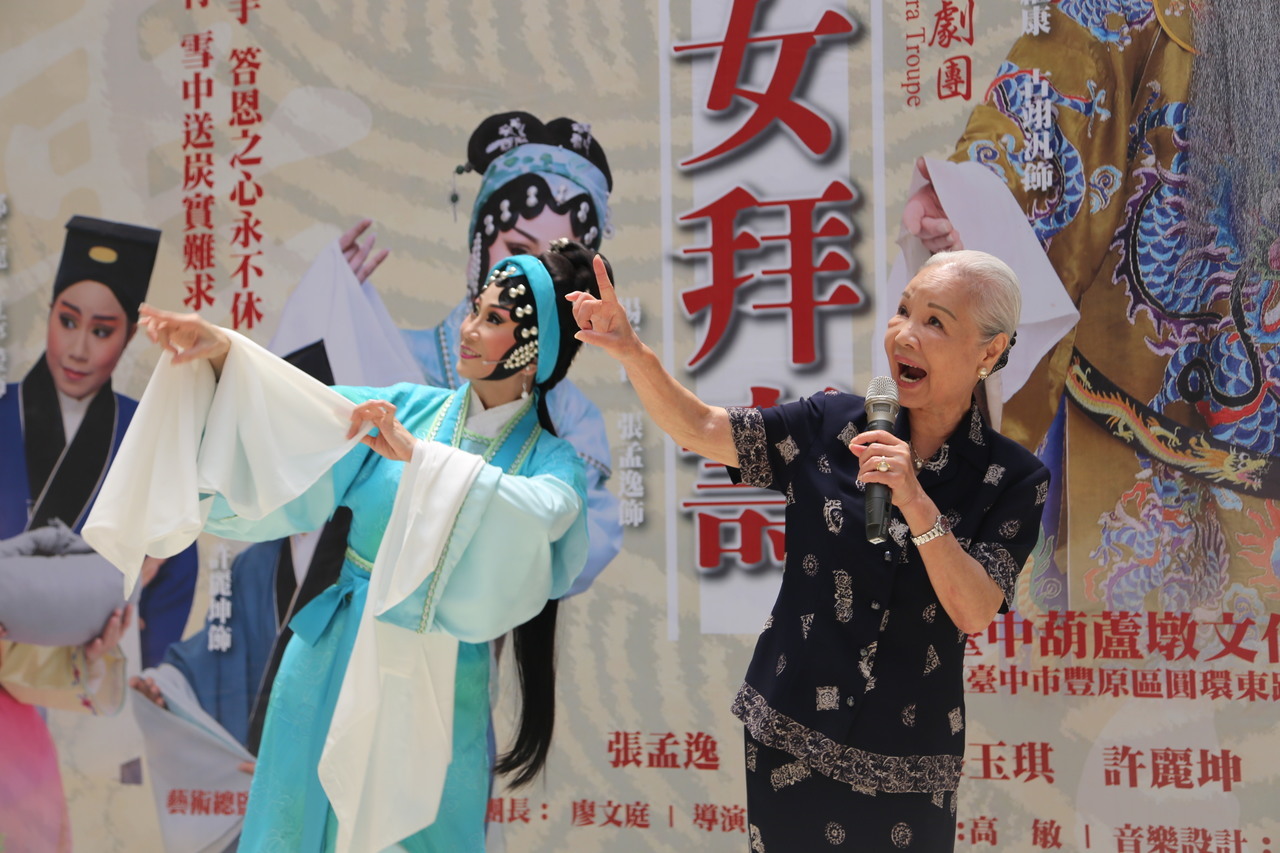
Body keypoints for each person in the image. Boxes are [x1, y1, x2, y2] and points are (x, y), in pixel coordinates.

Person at [84, 241, 606, 852]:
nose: (467, 329)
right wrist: (225, 355)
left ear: (533, 352)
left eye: (492, 319)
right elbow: (305, 413)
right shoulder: (406, 408)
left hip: (441, 682)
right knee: (297, 828)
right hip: (328, 657)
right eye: (473, 309)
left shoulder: (551, 465)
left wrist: (419, 459)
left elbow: (541, 517)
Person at [570, 249, 1050, 851]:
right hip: (790, 735)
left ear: (989, 350)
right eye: (904, 311)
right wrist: (632, 352)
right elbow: (704, 429)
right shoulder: (832, 424)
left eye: (935, 321)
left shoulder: (1014, 478)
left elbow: (974, 610)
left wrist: (914, 499)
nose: (905, 334)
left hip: (908, 757)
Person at [901, 0, 1280, 615]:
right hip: (1143, 407)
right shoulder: (1120, 11)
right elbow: (1052, 94)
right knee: (1137, 631)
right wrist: (973, 202)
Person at [0, 215, 197, 852]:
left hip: (73, 690)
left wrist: (132, 654)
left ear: (128, 337)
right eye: (67, 321)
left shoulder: (145, 436)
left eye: (103, 330)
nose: (79, 348)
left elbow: (174, 569)